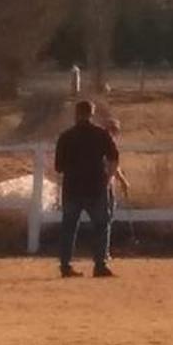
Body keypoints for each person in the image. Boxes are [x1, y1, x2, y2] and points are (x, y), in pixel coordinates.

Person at [54, 99, 120, 278]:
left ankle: (65, 265)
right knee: (101, 225)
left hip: (72, 188)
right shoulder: (101, 134)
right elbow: (114, 157)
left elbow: (58, 167)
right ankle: (100, 265)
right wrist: (109, 177)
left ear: (76, 114)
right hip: (95, 187)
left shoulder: (66, 136)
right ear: (92, 113)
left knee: (69, 227)